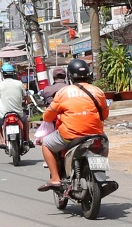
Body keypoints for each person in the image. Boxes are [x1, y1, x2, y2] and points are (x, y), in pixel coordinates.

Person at [39, 58, 108, 193]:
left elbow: (47, 117)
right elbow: (104, 115)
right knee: (104, 143)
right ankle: (101, 169)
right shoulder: (98, 91)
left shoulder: (63, 92)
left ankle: (55, 178)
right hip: (95, 134)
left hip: (70, 135)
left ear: (70, 76)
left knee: (46, 143)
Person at [0, 64, 25, 147]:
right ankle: (27, 139)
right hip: (18, 113)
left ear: (3, 74)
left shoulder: (0, 85)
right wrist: (27, 102)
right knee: (26, 121)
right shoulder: (19, 83)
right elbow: (26, 96)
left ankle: (2, 140)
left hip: (4, 114)